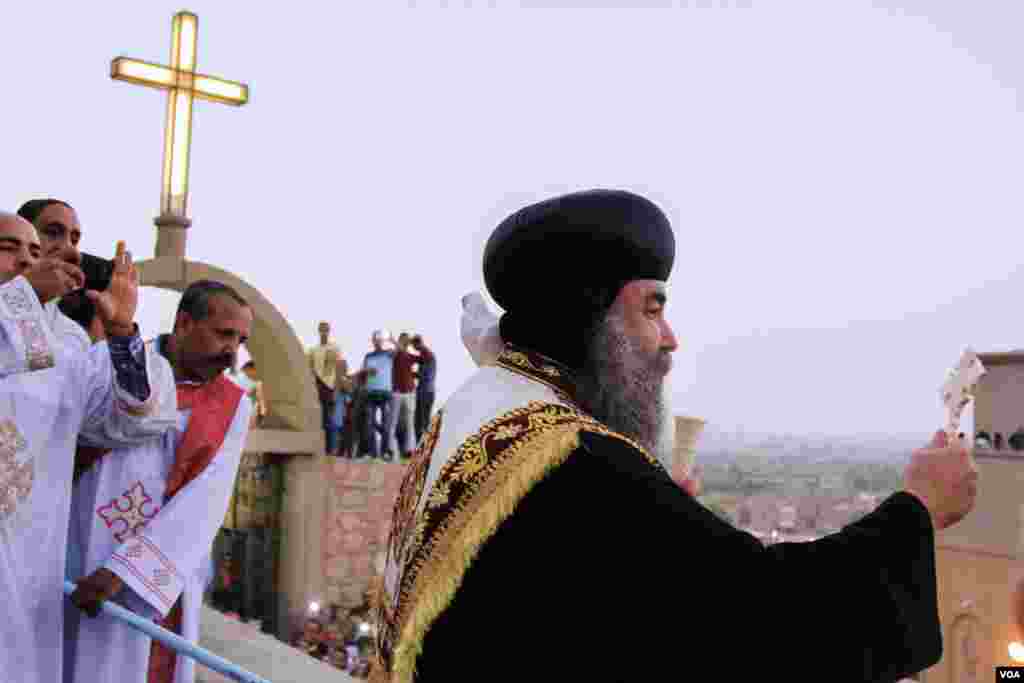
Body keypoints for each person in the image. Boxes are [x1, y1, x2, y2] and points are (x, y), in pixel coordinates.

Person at [372, 189, 978, 683]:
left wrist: (659, 510)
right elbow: (768, 624)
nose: (671, 338)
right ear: (594, 319)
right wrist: (917, 511)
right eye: (652, 309)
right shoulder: (567, 460)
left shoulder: (480, 414)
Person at [0, 225, 177, 683]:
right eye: (9, 248)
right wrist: (23, 296)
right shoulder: (29, 331)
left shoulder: (67, 353)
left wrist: (121, 332)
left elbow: (133, 416)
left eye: (35, 252)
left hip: (28, 553)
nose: (26, 260)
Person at [64, 280, 255, 683]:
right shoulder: (105, 363)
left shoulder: (234, 407)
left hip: (147, 578)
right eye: (224, 334)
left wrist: (124, 571)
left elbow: (204, 502)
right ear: (184, 322)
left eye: (240, 340)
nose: (231, 351)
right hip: (74, 542)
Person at [17, 198, 99, 348]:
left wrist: (122, 334)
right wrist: (24, 292)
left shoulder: (73, 335)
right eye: (53, 233)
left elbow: (37, 366)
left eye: (74, 241)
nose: (71, 250)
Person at [361, 330, 396, 460]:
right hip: (371, 393)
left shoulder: (388, 354)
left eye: (379, 340)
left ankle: (385, 452)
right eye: (375, 339)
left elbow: (399, 351)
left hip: (385, 393)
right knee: (369, 424)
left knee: (386, 423)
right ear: (373, 341)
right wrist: (367, 371)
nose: (377, 342)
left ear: (382, 341)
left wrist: (392, 340)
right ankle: (372, 453)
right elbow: (364, 372)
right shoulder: (368, 356)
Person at [309, 322, 342, 454]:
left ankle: (331, 450)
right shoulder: (313, 350)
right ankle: (320, 449)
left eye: (326, 330)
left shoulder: (334, 348)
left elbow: (339, 369)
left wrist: (337, 389)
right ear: (318, 331)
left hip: (329, 387)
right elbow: (310, 369)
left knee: (329, 419)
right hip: (317, 387)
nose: (324, 332)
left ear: (329, 331)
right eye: (321, 330)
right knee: (319, 419)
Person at [392, 333, 418, 459]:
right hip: (396, 392)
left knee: (409, 423)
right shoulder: (394, 354)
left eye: (406, 341)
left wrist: (418, 345)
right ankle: (392, 450)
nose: (404, 342)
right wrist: (396, 345)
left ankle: (410, 450)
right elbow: (394, 354)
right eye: (402, 340)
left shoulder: (409, 356)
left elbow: (426, 358)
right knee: (393, 422)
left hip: (409, 392)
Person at [410, 334, 436, 444]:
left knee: (420, 422)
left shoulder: (427, 354)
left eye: (414, 346)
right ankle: (423, 446)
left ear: (417, 344)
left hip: (425, 392)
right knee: (422, 421)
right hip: (428, 391)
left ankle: (422, 446)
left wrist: (409, 373)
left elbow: (424, 375)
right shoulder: (426, 354)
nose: (414, 349)